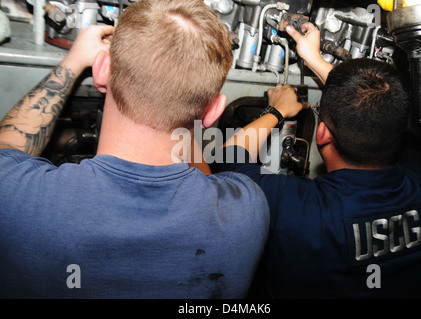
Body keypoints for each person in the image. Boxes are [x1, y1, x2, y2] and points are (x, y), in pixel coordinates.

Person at [0, 0, 270, 298]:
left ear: (102, 71)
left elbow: (8, 144)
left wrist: (73, 62)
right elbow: (206, 178)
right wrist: (187, 106)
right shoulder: (248, 209)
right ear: (213, 112)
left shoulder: (13, 195)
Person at [214, 22, 421, 298]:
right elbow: (381, 112)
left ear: (321, 134)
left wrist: (276, 110)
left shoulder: (299, 212)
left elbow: (226, 160)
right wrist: (315, 60)